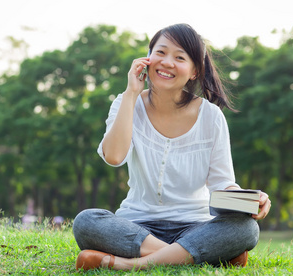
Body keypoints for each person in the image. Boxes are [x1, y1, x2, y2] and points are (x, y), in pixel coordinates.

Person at [72, 24, 271, 271]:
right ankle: (195, 254)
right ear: (147, 57)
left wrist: (251, 199)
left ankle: (128, 264)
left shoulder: (210, 116)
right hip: (137, 224)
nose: (167, 62)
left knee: (246, 229)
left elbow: (222, 184)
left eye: (179, 57)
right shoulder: (126, 102)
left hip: (195, 224)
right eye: (161, 52)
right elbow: (113, 156)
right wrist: (132, 93)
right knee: (87, 221)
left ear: (195, 71)